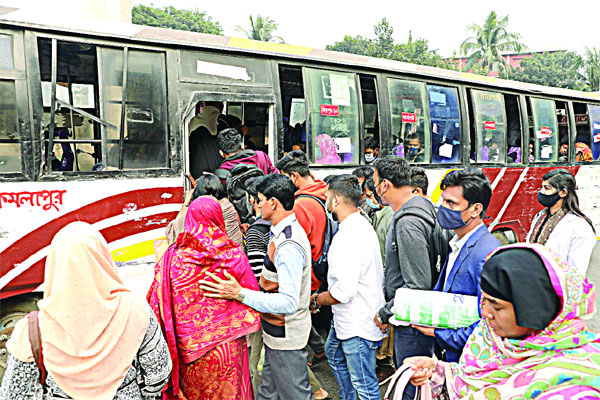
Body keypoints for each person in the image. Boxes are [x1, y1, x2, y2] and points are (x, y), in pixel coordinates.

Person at [404, 244, 600, 399]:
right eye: (485, 300)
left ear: (533, 308)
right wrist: (436, 370)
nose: (486, 313)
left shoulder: (575, 382)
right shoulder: (489, 337)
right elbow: (471, 379)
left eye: (497, 306)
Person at [1, 222, 172, 399]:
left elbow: (14, 394)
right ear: (104, 258)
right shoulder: (136, 310)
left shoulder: (32, 331)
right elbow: (158, 372)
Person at [200, 174, 314, 400]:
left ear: (274, 203)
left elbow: (288, 302)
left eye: (260, 199)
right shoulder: (281, 233)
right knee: (267, 392)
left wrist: (239, 294)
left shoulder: (288, 245)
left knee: (296, 395)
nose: (257, 204)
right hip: (276, 333)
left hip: (286, 336)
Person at [148, 196, 261, 400]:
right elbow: (252, 293)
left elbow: (157, 300)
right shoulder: (233, 255)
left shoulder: (172, 259)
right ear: (218, 218)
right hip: (229, 346)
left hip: (189, 352)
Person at [412, 168, 501, 362]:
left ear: (475, 209)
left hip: (467, 360)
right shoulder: (458, 244)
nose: (442, 207)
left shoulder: (486, 252)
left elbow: (489, 322)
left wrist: (439, 334)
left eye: (451, 203)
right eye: (443, 200)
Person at [309, 175, 384, 400]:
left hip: (357, 323)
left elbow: (344, 292)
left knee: (365, 384)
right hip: (350, 319)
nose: (325, 200)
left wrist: (316, 300)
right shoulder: (358, 224)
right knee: (333, 354)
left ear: (337, 199)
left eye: (327, 196)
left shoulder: (349, 235)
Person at [372, 155, 437, 399]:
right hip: (413, 319)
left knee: (410, 387)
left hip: (412, 322)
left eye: (376, 182)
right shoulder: (418, 208)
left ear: (385, 185)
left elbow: (417, 284)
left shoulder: (408, 221)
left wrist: (385, 312)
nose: (376, 188)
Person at [274, 151, 330, 397]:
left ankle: (315, 354)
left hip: (308, 273)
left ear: (294, 176)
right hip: (318, 267)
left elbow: (296, 243)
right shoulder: (321, 193)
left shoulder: (301, 205)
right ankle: (319, 349)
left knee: (298, 313)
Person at [527, 169, 596, 275]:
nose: (541, 192)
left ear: (563, 193)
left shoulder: (580, 227)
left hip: (555, 286)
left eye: (547, 188)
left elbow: (576, 271)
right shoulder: (540, 217)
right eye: (542, 187)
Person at [362, 177, 395, 381]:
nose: (368, 199)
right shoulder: (377, 213)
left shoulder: (390, 214)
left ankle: (385, 361)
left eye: (368, 194)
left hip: (386, 272)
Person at [165, 173, 243, 246]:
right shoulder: (227, 205)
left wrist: (186, 202)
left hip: (213, 257)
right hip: (235, 256)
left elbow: (173, 231)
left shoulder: (199, 208)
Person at [189, 101, 227, 178]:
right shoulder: (221, 120)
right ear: (217, 104)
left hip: (194, 168)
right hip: (217, 172)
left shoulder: (192, 121)